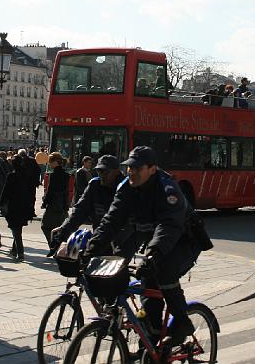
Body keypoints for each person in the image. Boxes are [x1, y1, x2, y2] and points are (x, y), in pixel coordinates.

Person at [85, 147, 203, 347]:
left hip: (184, 241)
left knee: (164, 271)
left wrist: (154, 253)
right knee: (147, 290)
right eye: (129, 168)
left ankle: (183, 322)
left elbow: (169, 225)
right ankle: (152, 338)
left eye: (137, 168)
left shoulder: (167, 188)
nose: (131, 172)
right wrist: (92, 247)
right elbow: (112, 220)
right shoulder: (126, 187)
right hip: (157, 242)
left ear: (152, 169)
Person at [51, 155, 126, 247]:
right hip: (99, 236)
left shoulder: (126, 187)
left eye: (105, 171)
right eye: (99, 171)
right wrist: (62, 234)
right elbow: (79, 211)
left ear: (116, 171)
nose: (101, 175)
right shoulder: (95, 185)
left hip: (122, 239)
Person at [0, 154, 35, 261]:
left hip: (13, 205)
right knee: (18, 228)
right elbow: (31, 192)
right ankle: (14, 250)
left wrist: (0, 203)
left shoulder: (12, 175)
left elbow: (6, 191)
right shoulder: (27, 176)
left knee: (16, 229)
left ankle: (20, 252)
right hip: (25, 205)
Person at [41, 152, 69, 254]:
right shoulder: (67, 175)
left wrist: (44, 203)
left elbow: (50, 190)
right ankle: (59, 247)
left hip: (53, 205)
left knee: (45, 226)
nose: (49, 164)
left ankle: (54, 246)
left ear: (55, 162)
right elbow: (66, 191)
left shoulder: (53, 175)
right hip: (62, 205)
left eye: (50, 162)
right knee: (60, 227)